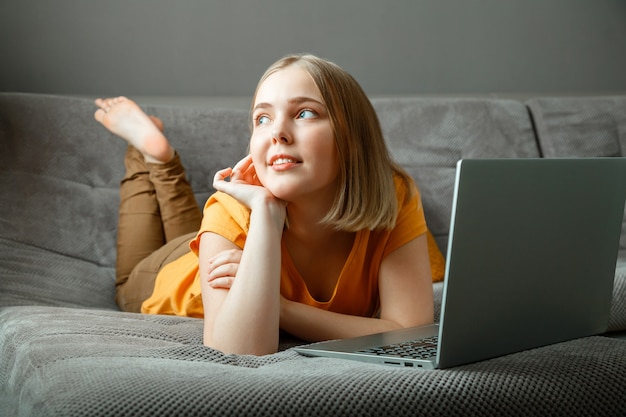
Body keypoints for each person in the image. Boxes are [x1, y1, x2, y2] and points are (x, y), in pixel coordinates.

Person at [94, 53, 443, 356]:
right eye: (263, 118)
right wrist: (264, 215)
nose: (278, 132)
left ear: (354, 137)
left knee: (205, 226)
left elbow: (409, 334)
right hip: (168, 278)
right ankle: (150, 159)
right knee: (128, 279)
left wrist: (282, 309)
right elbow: (239, 350)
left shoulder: (393, 193)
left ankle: (160, 159)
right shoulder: (234, 208)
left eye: (305, 113)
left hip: (223, 238)